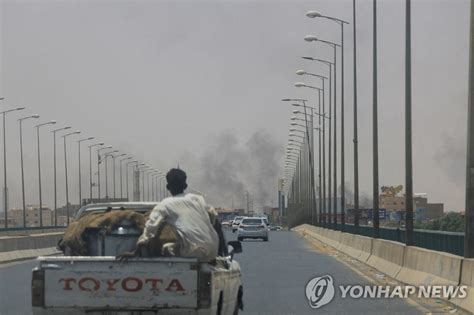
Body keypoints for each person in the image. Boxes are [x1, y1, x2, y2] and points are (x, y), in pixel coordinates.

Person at [117, 168, 221, 262]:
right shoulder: (198, 199)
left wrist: (135, 252)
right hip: (214, 250)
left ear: (168, 187)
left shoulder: (164, 204)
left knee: (167, 248)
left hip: (193, 252)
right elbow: (214, 217)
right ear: (185, 186)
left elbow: (150, 229)